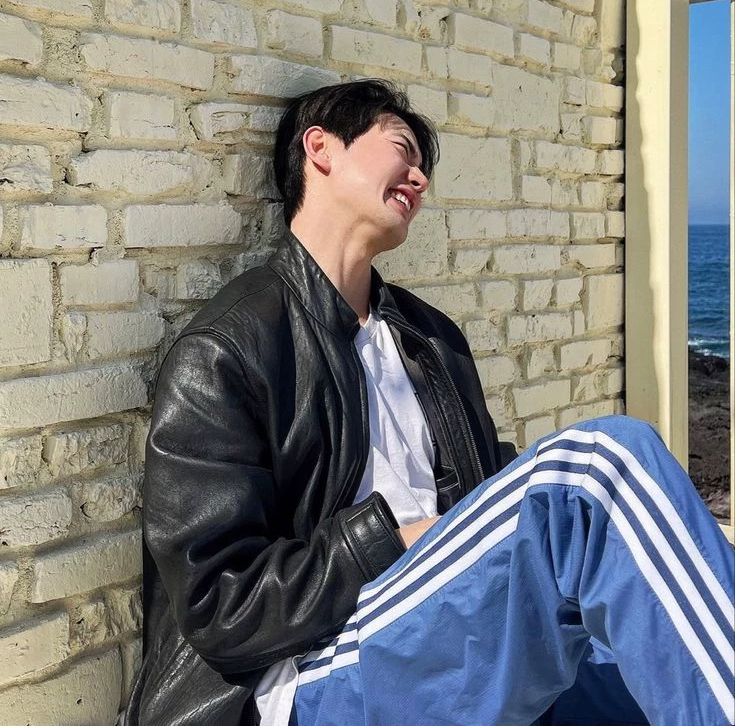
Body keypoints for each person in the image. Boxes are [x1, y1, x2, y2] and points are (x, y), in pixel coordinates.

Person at [125, 80, 734, 726]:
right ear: (320, 149)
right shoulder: (229, 348)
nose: (418, 178)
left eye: (423, 166)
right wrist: (395, 539)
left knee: (661, 641)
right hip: (312, 673)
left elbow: (485, 493)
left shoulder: (430, 339)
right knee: (594, 468)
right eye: (402, 149)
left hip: (451, 631)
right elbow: (221, 605)